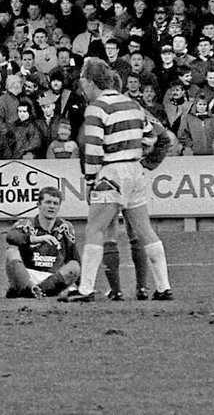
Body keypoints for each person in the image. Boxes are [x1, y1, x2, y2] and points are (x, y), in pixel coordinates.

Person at [60, 58, 173, 302]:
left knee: (94, 229)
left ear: (91, 82)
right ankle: (164, 287)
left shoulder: (97, 108)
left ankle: (86, 289)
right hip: (135, 170)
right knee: (145, 231)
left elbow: (93, 150)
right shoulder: (133, 105)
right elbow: (151, 138)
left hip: (110, 172)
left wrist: (91, 181)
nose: (83, 88)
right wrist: (135, 156)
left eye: (83, 82)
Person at [4, 186, 80, 298]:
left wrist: (83, 288)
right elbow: (11, 237)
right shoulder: (27, 224)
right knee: (11, 251)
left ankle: (36, 291)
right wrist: (35, 238)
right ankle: (28, 288)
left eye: (55, 203)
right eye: (48, 202)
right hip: (27, 275)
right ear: (38, 205)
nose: (51, 206)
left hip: (52, 280)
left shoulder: (65, 227)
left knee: (75, 266)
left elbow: (73, 257)